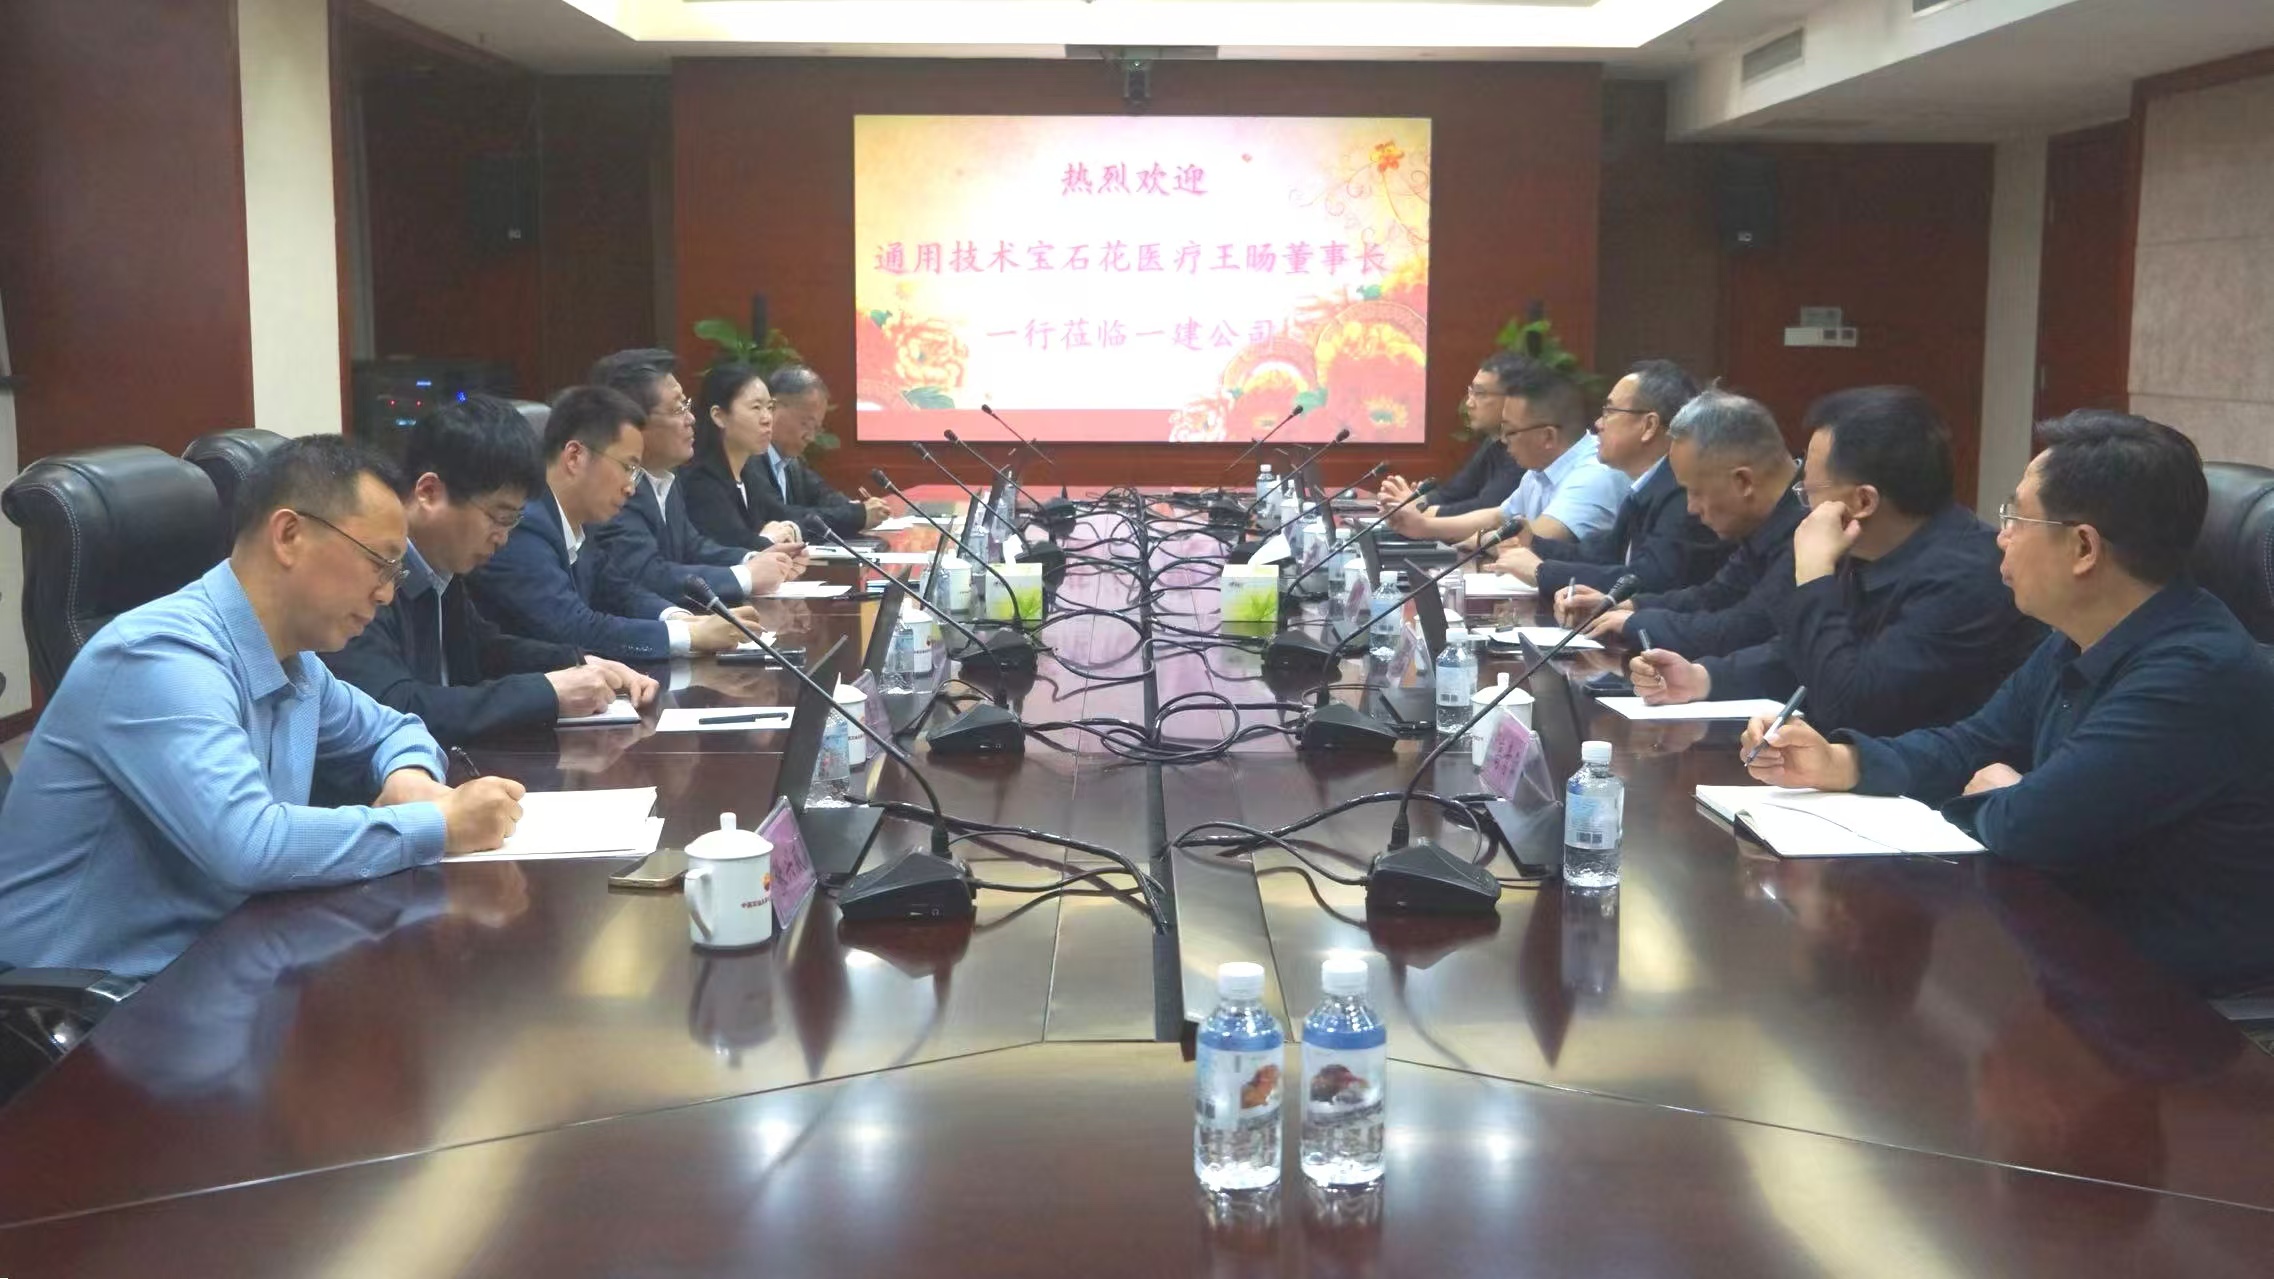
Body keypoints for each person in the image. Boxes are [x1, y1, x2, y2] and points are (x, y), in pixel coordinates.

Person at [1741, 411, 2274, 995]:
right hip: (2075, 953)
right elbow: (1969, 745)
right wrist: (1840, 762)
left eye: (2016, 518)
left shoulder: (2193, 675)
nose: (2000, 536)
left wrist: (2011, 795)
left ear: (2083, 547)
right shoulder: (2080, 636)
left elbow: (2029, 828)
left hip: (2179, 1005)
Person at [0, 436, 526, 978]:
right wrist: (436, 823)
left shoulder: (296, 662)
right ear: (289, 535)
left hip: (225, 961)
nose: (386, 594)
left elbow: (396, 729)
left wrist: (409, 780)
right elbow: (249, 845)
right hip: (88, 1002)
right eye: (379, 563)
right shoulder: (158, 658)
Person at [1631, 387, 2044, 735]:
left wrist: (1814, 576)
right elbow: (1801, 656)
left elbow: (1850, 707)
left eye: (1807, 493)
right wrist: (1703, 678)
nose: (1803, 509)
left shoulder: (1965, 578)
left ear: (1863, 501)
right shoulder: (1869, 550)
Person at [324, 395, 659, 743]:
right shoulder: (369, 577)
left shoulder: (442, 566)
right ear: (429, 492)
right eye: (499, 517)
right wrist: (547, 693)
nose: (503, 538)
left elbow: (484, 649)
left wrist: (577, 662)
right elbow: (392, 707)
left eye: (513, 521)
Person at [467, 385, 772, 662]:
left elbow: (617, 591)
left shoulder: (581, 521)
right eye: (628, 467)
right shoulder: (523, 524)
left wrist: (679, 618)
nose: (631, 487)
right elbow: (571, 626)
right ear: (575, 457)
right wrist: (689, 636)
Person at [1559, 389, 1804, 654]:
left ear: (1743, 481)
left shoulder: (1808, 531)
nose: (1691, 508)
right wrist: (1624, 606)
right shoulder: (1767, 519)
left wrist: (1634, 623)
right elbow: (1715, 596)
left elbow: (1740, 629)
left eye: (1695, 491)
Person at [1488, 358, 1726, 595]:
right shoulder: (1646, 487)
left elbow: (1650, 579)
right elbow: (1603, 554)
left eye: (1610, 411)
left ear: (1649, 426)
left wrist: (1542, 572)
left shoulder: (1681, 491)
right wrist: (1534, 543)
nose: (1598, 423)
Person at [584, 348, 804, 601]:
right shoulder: (613, 487)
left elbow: (692, 547)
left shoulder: (666, 476)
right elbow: (646, 574)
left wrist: (756, 559)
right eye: (678, 409)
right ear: (633, 422)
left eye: (687, 405)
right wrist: (746, 576)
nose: (691, 419)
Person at [1381, 361, 1629, 546]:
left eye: (1510, 431)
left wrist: (1476, 540)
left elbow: (1533, 540)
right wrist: (1423, 526)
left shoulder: (1595, 473)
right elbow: (1498, 516)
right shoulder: (1540, 469)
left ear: (1548, 437)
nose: (1503, 440)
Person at [680, 362, 813, 552]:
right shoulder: (700, 480)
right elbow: (729, 549)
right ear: (719, 416)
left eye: (770, 407)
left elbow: (787, 515)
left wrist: (790, 529)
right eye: (756, 407)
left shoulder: (750, 474)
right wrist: (767, 540)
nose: (767, 418)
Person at [757, 365, 889, 536]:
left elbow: (822, 495)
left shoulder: (790, 462)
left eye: (816, 428)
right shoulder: (749, 458)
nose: (811, 437)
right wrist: (855, 516)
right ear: (772, 408)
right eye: (806, 424)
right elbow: (779, 516)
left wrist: (854, 507)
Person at [1410, 349, 1530, 519]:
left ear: (1513, 399)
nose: (1469, 403)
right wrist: (1415, 502)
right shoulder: (1493, 441)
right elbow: (1454, 492)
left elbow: (1489, 507)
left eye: (1479, 394)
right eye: (1471, 392)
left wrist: (1422, 512)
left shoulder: (1527, 450)